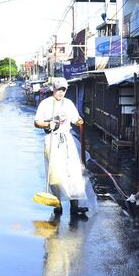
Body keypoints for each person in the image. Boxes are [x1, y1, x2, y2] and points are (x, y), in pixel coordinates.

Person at [33, 78, 93, 216]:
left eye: (63, 89)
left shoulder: (69, 104)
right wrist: (49, 124)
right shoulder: (45, 104)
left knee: (73, 172)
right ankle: (57, 203)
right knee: (55, 174)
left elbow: (76, 120)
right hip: (52, 140)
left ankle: (75, 205)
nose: (60, 92)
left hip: (67, 139)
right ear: (53, 88)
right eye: (58, 89)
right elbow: (37, 122)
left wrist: (79, 121)